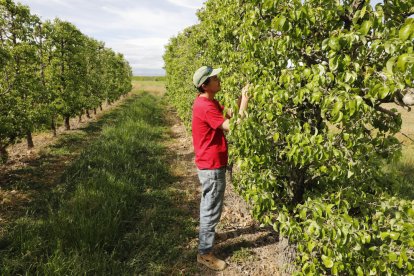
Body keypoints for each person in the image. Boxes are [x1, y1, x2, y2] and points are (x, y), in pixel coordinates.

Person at [191, 65, 249, 271]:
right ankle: (204, 253)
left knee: (210, 204)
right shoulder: (205, 106)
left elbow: (230, 114)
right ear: (205, 85)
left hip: (210, 162)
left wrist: (240, 100)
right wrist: (246, 103)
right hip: (211, 165)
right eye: (214, 78)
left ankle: (208, 236)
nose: (218, 79)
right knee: (211, 208)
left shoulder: (209, 101)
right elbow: (234, 126)